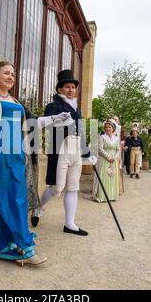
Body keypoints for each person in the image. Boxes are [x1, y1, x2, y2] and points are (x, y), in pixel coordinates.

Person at [0, 60, 72, 267]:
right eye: (6, 73)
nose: (11, 77)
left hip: (15, 158)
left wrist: (55, 119)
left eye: (13, 74)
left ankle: (21, 247)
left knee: (16, 200)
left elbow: (31, 124)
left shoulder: (17, 102)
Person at [31, 70, 97, 236]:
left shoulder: (77, 108)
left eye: (73, 87)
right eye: (67, 87)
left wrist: (87, 152)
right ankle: (39, 207)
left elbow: (80, 131)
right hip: (60, 149)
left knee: (73, 187)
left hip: (75, 150)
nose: (71, 90)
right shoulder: (53, 106)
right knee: (56, 188)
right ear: (60, 89)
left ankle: (70, 224)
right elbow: (47, 126)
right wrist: (58, 119)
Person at [92, 120, 121, 202]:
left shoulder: (116, 138)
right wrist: (108, 157)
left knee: (112, 176)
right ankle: (102, 196)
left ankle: (112, 195)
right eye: (106, 127)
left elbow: (118, 149)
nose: (108, 129)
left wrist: (114, 157)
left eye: (109, 127)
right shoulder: (102, 137)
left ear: (113, 128)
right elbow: (100, 149)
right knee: (104, 176)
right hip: (104, 159)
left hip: (113, 160)